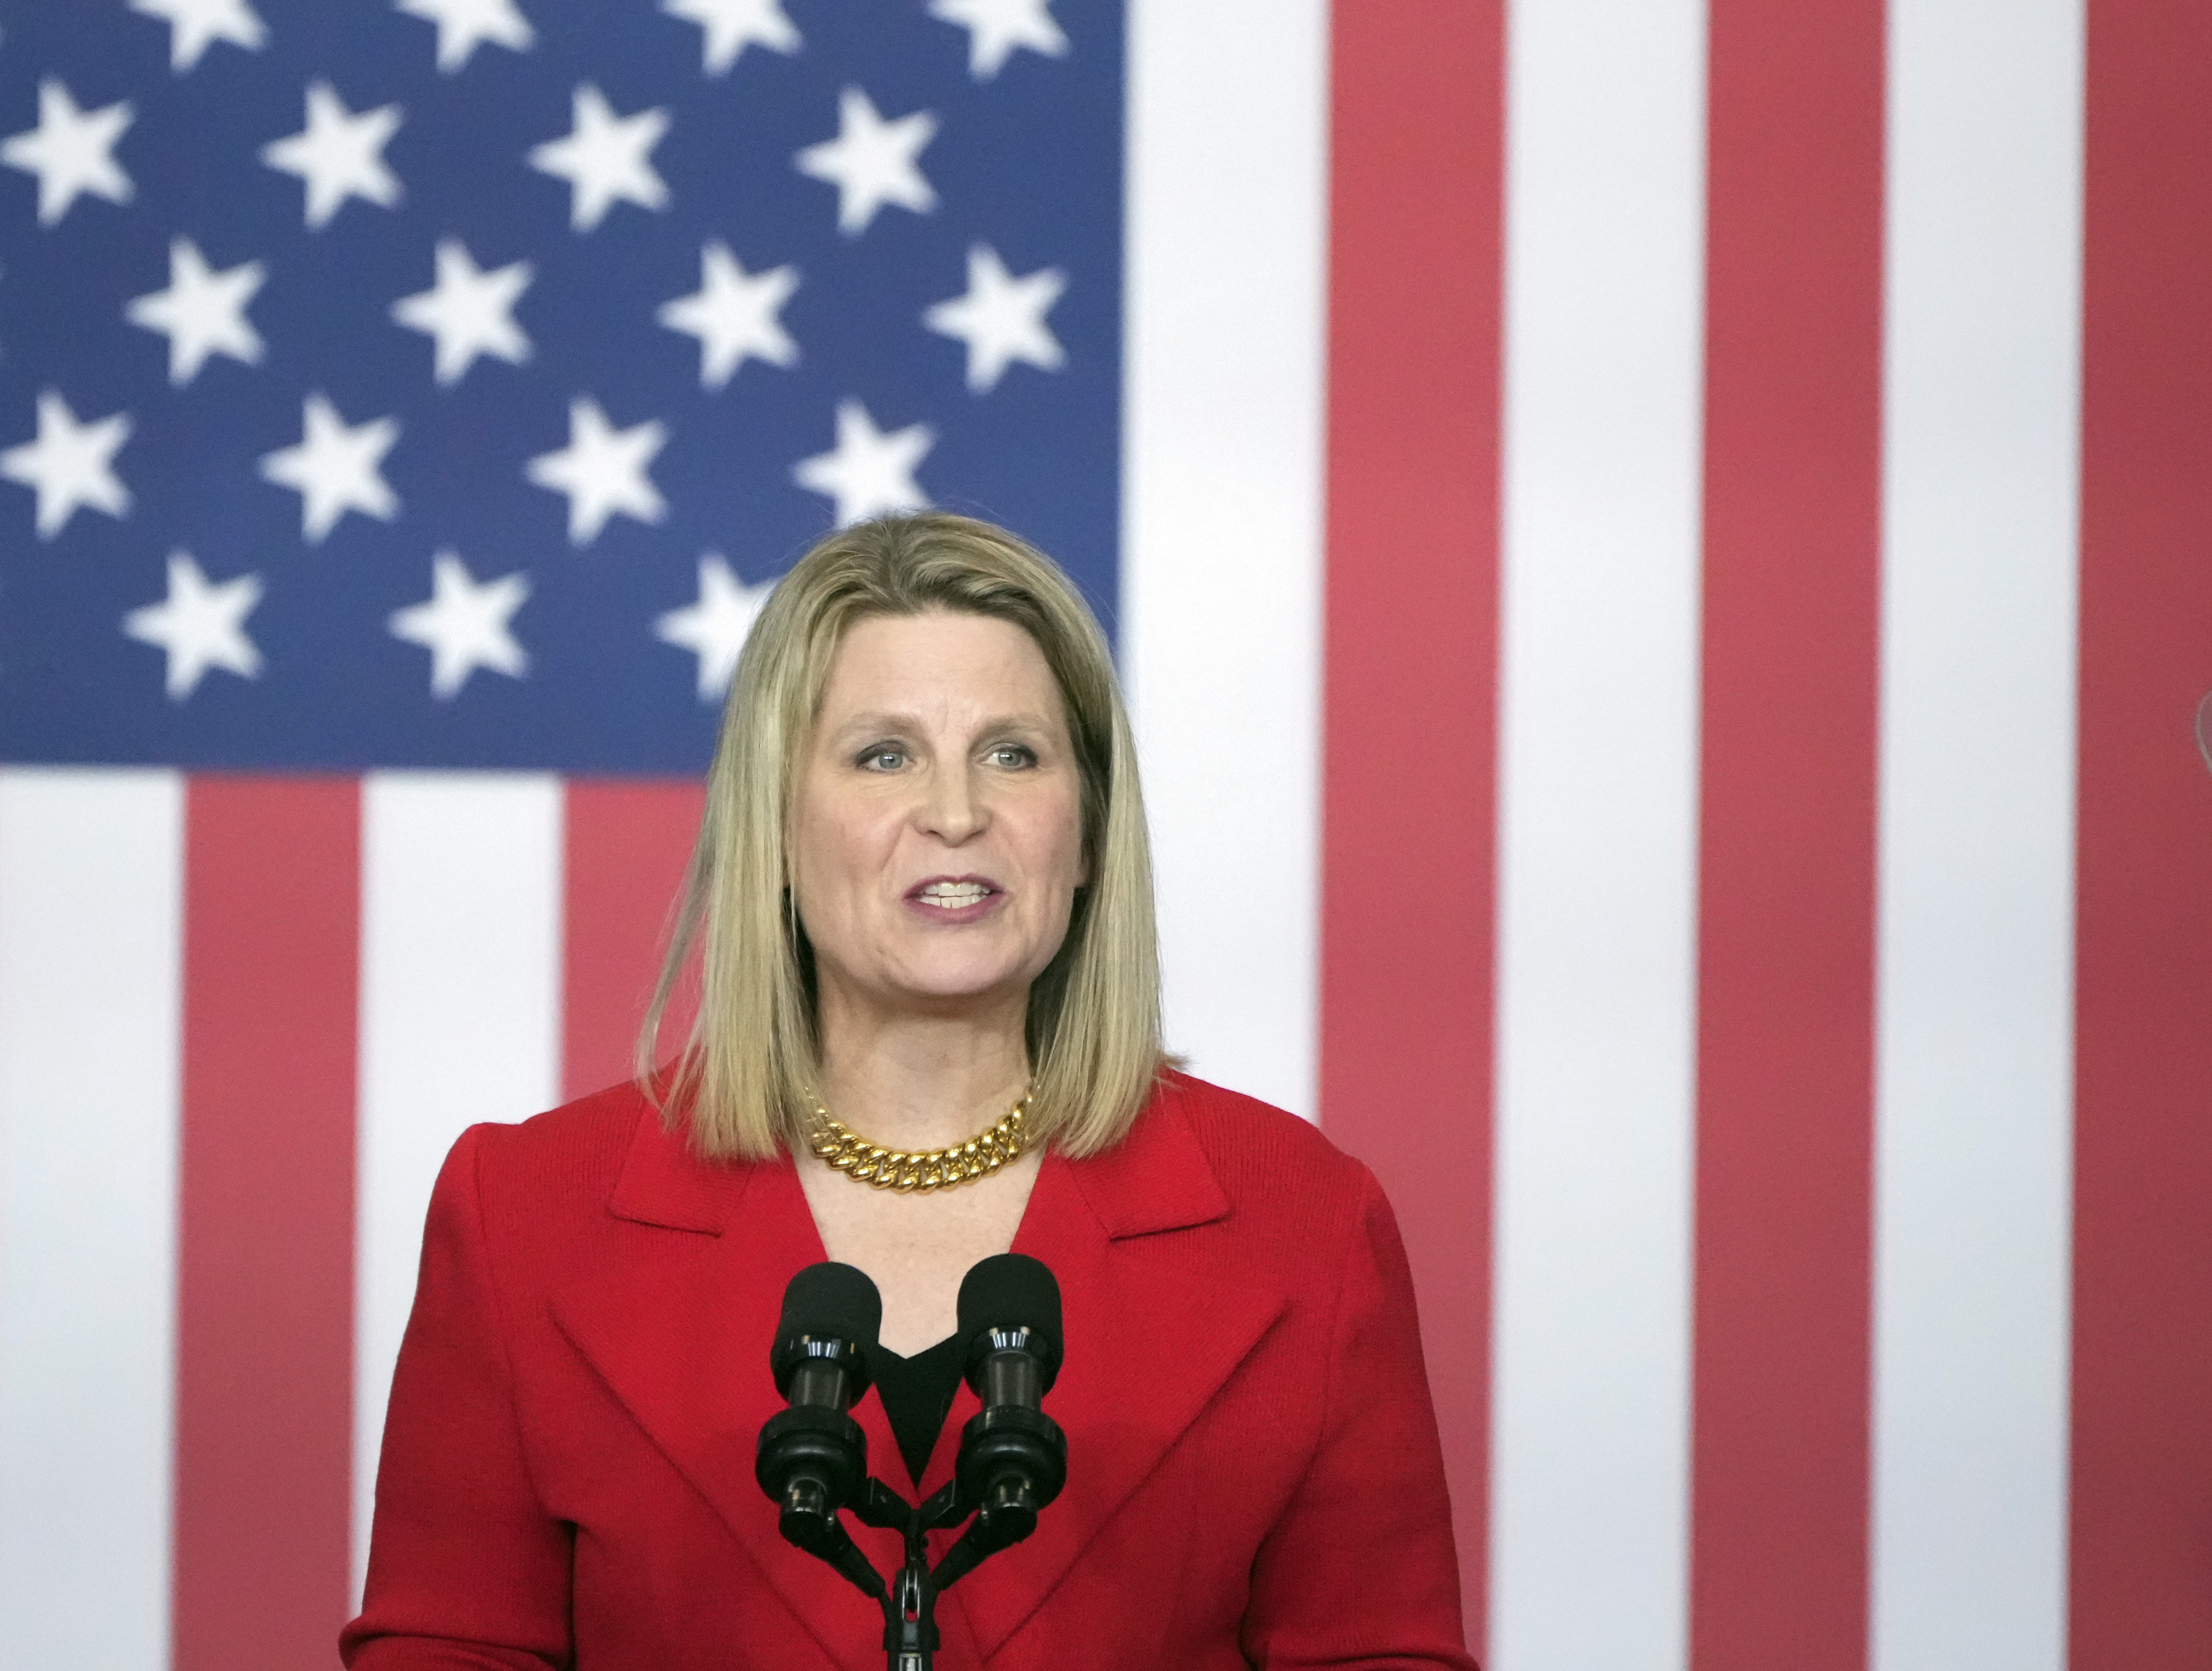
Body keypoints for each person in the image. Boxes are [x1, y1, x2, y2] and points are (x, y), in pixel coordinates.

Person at [341, 513, 1475, 1670]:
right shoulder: (527, 1213)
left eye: (1013, 753)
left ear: (1086, 834)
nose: (955, 812)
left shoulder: (1304, 1223)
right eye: (884, 754)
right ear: (777, 825)